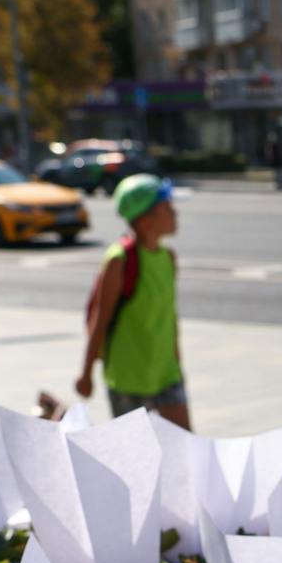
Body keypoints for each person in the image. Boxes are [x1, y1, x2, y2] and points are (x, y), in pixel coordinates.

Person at [75, 172, 188, 428]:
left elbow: (169, 317)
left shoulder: (169, 259)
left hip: (167, 373)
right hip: (128, 378)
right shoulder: (120, 261)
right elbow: (100, 320)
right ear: (146, 219)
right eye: (167, 207)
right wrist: (86, 373)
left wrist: (178, 365)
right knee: (134, 460)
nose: (175, 213)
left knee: (186, 451)